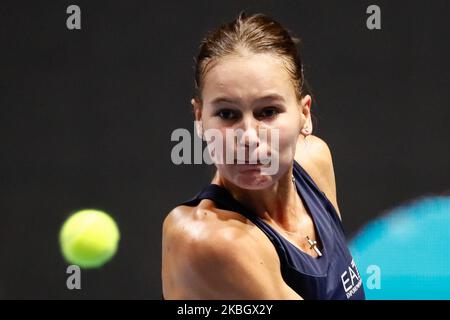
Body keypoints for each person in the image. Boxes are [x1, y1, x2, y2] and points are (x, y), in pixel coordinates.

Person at [162, 11, 365, 300]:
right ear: (199, 119)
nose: (248, 137)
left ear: (304, 115)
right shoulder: (209, 239)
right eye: (227, 114)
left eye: (268, 112)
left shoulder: (314, 161)